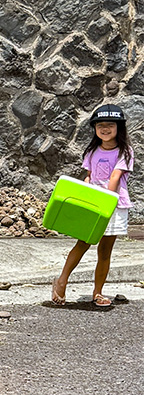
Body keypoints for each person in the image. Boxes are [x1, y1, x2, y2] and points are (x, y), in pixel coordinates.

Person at [50, 103, 134, 310]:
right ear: (95, 128)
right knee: (82, 243)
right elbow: (89, 177)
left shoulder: (125, 151)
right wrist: (87, 199)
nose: (105, 129)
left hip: (113, 204)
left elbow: (115, 177)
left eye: (110, 125)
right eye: (100, 125)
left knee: (105, 251)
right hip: (93, 204)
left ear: (119, 128)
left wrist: (105, 201)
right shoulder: (92, 150)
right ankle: (61, 281)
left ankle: (98, 292)